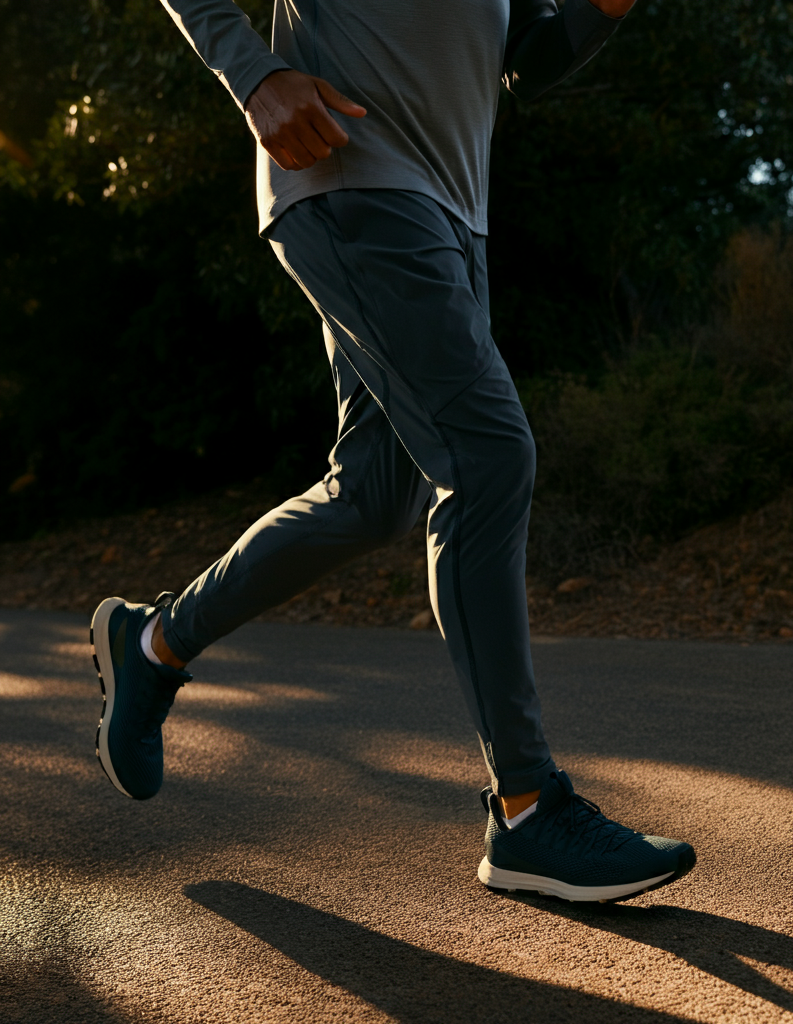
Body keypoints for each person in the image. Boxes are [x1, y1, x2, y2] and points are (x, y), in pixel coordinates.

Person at [90, 0, 696, 904]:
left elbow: (517, 57)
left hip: (456, 212)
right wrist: (253, 73)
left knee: (373, 492)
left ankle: (154, 644)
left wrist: (599, 10)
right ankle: (528, 809)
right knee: (488, 459)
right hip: (354, 178)